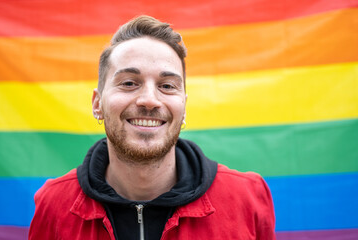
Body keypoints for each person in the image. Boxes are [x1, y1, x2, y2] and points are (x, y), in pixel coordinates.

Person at [29, 15, 276, 240]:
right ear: (97, 104)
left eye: (167, 86)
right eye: (128, 83)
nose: (149, 100)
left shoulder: (248, 197)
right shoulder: (53, 203)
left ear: (184, 107)